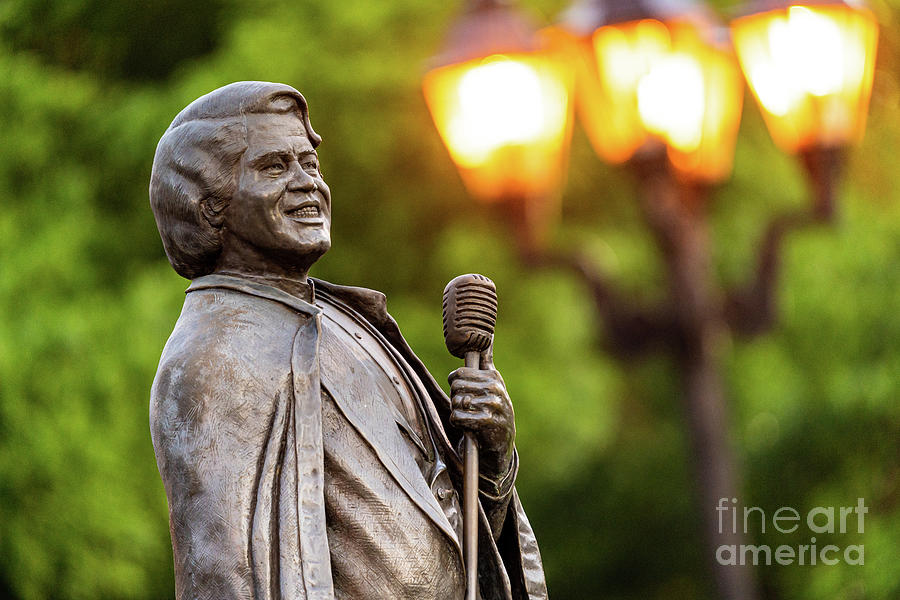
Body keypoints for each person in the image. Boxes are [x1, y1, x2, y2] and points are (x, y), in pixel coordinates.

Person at [149, 81, 547, 600]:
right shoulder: (212, 357)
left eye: (309, 164)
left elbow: (459, 536)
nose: (307, 183)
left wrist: (491, 460)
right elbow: (223, 577)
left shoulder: (350, 324)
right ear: (209, 207)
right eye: (274, 167)